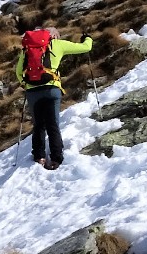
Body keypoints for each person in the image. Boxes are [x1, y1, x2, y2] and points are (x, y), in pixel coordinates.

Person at [14, 26, 93, 170]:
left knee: (38, 125)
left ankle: (39, 156)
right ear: (54, 35)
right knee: (53, 124)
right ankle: (56, 158)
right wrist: (87, 38)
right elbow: (86, 47)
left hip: (32, 91)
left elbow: (19, 72)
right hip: (52, 89)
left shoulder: (27, 49)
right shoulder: (58, 44)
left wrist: (26, 84)